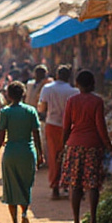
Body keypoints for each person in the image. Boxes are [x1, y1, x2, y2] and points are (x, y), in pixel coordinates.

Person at [60, 69, 112, 223]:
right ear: (92, 84)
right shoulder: (97, 101)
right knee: (93, 185)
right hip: (93, 146)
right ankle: (93, 222)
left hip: (74, 145)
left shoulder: (72, 101)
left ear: (77, 85)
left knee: (75, 184)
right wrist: (108, 146)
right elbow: (101, 127)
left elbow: (66, 126)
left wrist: (63, 146)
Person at [0, 81, 45, 223]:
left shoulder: (5, 112)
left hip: (11, 153)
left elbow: (1, 136)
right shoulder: (31, 111)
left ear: (8, 95)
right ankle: (24, 213)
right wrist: (40, 153)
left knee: (10, 188)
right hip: (27, 152)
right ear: (23, 94)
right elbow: (36, 134)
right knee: (25, 185)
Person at [37, 65, 77, 199]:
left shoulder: (47, 88)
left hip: (52, 124)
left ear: (57, 75)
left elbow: (42, 108)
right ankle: (67, 185)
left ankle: (55, 187)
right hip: (69, 127)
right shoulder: (74, 91)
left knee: (54, 156)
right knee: (68, 156)